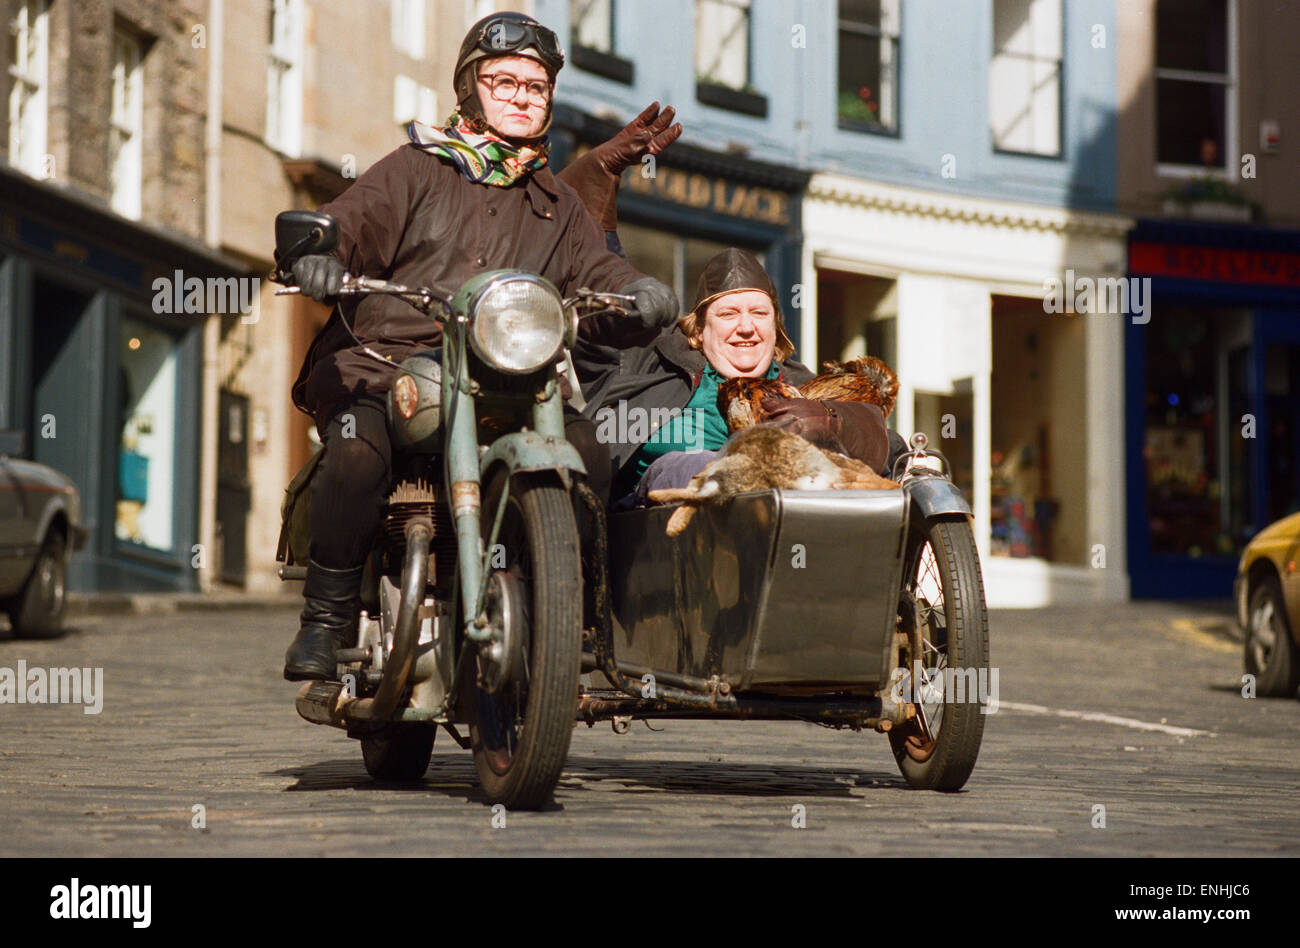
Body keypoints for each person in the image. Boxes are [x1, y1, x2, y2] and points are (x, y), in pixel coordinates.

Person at [282, 11, 679, 681]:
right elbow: (341, 225)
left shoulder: (557, 203)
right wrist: (315, 253)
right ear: (470, 88)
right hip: (389, 365)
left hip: (509, 380)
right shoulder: (414, 169)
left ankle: (566, 613)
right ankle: (326, 618)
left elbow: (601, 279)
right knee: (354, 449)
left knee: (586, 450)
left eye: (537, 86)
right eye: (505, 82)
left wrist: (643, 297)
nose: (523, 96)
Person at [574, 247, 895, 504]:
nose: (745, 327)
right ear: (698, 331)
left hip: (789, 524)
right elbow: (597, 294)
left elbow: (892, 448)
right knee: (688, 463)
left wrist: (833, 419)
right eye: (728, 314)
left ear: (775, 327)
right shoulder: (650, 362)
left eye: (759, 313)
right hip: (657, 526)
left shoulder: (803, 384)